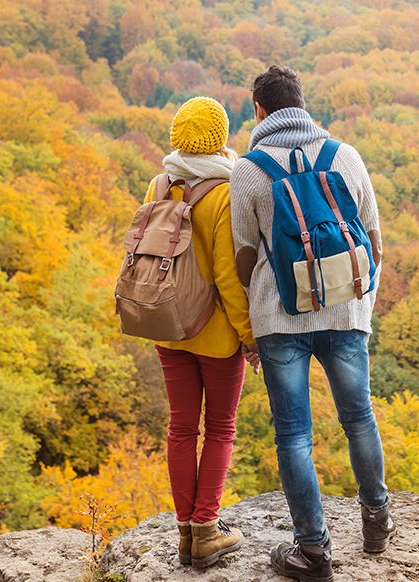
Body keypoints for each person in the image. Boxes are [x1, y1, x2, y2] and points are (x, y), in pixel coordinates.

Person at [230, 66, 395, 582]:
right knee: (358, 417)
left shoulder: (249, 170)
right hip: (346, 312)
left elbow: (243, 256)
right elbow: (373, 239)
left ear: (260, 110)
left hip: (279, 318)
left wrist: (258, 319)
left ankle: (313, 551)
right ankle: (376, 522)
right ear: (301, 104)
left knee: (295, 435)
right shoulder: (344, 156)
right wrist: (356, 306)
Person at [149, 96, 260, 569]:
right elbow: (229, 278)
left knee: (180, 428)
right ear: (220, 137)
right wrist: (250, 337)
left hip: (168, 325)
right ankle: (206, 529)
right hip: (214, 336)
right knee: (219, 429)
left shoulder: (160, 182)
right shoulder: (225, 191)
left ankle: (184, 535)